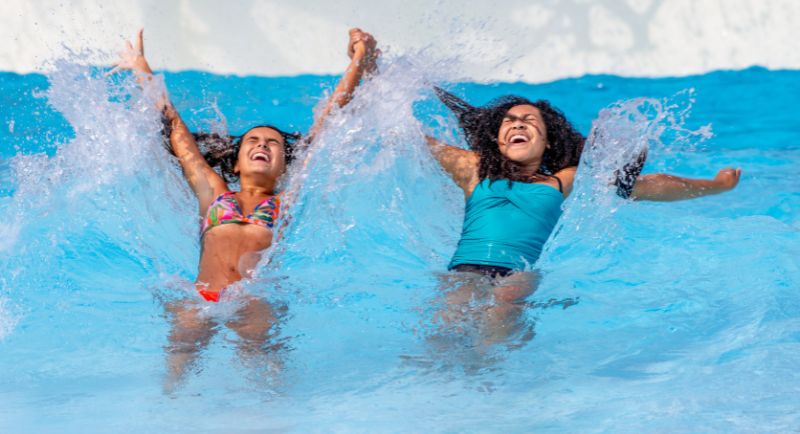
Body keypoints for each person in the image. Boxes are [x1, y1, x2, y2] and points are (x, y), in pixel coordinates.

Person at [111, 28, 379, 391]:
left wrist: (358, 62)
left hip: (253, 297)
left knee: (265, 369)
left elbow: (330, 122)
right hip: (202, 296)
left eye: (274, 144)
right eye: (253, 140)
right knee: (178, 365)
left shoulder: (285, 199)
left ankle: (270, 416)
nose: (263, 145)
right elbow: (175, 128)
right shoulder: (214, 193)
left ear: (286, 166)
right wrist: (139, 66)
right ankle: (169, 412)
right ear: (235, 163)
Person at [425, 89, 741, 344]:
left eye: (529, 120)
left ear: (547, 141)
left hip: (516, 273)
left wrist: (716, 185)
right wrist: (373, 73)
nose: (518, 124)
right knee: (446, 323)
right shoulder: (475, 170)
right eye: (509, 121)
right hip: (465, 271)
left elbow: (645, 187)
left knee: (504, 302)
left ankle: (489, 371)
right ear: (498, 138)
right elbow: (409, 135)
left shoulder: (564, 180)